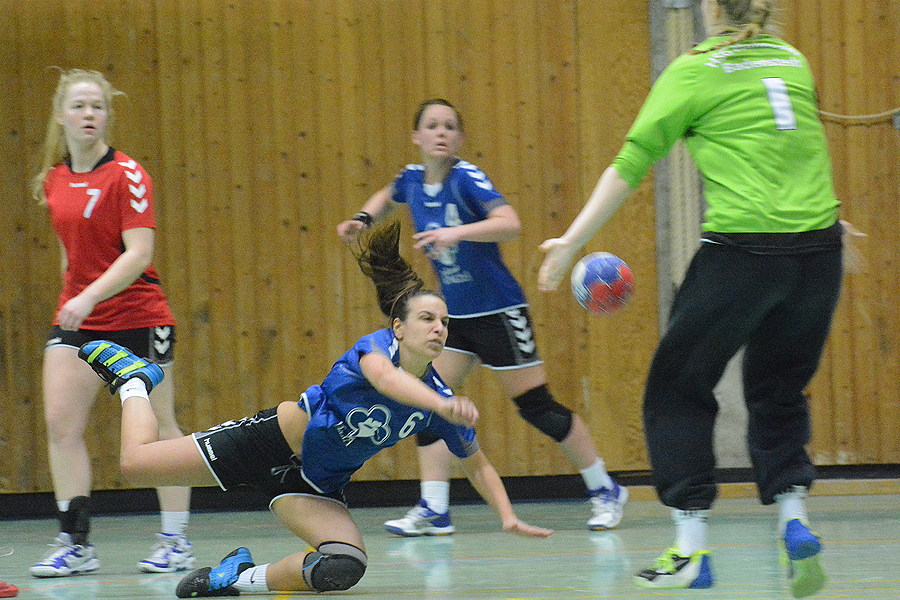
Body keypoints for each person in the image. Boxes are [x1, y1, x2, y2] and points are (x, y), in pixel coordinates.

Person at [538, 1, 843, 597]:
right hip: (819, 252)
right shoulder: (791, 60)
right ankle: (794, 516)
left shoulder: (695, 70)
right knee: (778, 386)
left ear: (710, 7)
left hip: (745, 251)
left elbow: (631, 163)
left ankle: (690, 548)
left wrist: (570, 241)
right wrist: (835, 228)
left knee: (677, 386)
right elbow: (798, 155)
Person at [75, 221, 553, 597]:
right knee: (135, 463)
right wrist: (442, 404)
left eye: (445, 323)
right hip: (268, 443)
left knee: (343, 566)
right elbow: (388, 382)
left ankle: (236, 578)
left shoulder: (436, 400)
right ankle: (134, 380)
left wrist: (507, 516)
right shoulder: (376, 352)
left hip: (314, 486)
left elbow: (477, 464)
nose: (439, 329)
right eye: (427, 319)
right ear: (398, 327)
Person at [337, 99, 628, 535]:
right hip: (454, 318)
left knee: (537, 408)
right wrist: (362, 218)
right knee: (427, 400)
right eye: (432, 126)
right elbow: (387, 195)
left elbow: (509, 223)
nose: (441, 133)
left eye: (449, 127)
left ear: (459, 138)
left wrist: (455, 233)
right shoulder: (412, 179)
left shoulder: (467, 179)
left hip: (498, 311)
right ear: (416, 137)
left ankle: (606, 489)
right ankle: (434, 508)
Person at [30, 69, 194, 577]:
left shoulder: (128, 175)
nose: (88, 115)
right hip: (78, 318)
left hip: (138, 316)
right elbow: (71, 254)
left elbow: (138, 252)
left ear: (107, 116)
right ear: (61, 115)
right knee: (61, 424)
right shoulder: (55, 180)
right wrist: (74, 300)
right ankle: (75, 542)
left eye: (97, 107)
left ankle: (175, 541)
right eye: (79, 106)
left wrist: (89, 296)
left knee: (158, 428)